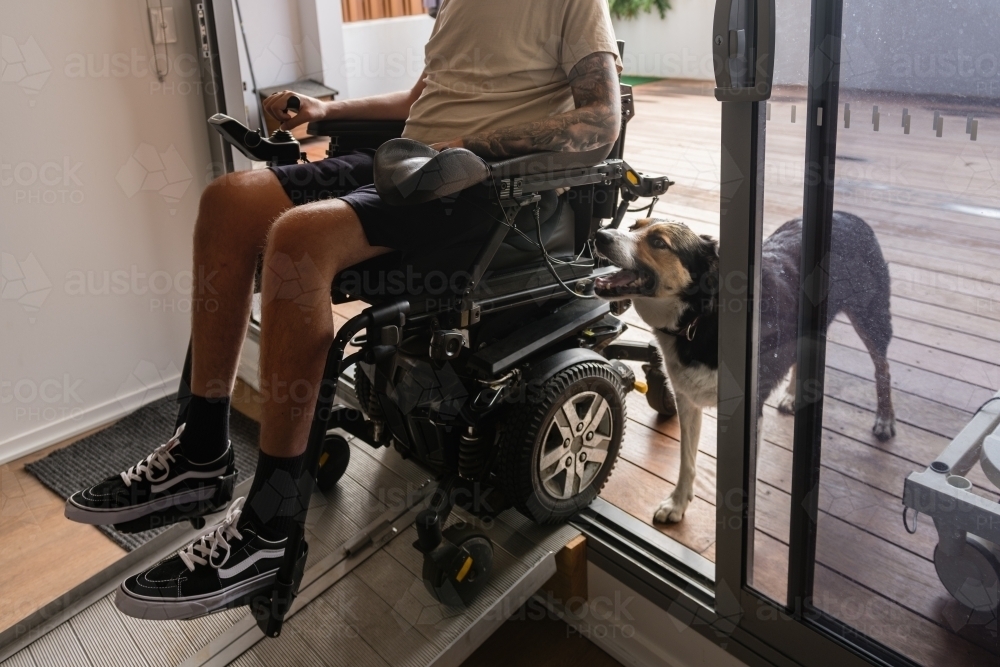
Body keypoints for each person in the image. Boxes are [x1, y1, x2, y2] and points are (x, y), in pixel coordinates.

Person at [66, 0, 622, 619]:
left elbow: (600, 123)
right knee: (230, 200)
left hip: (483, 193)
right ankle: (200, 452)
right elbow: (421, 100)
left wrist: (470, 146)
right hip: (409, 164)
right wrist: (326, 112)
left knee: (298, 239)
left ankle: (269, 531)